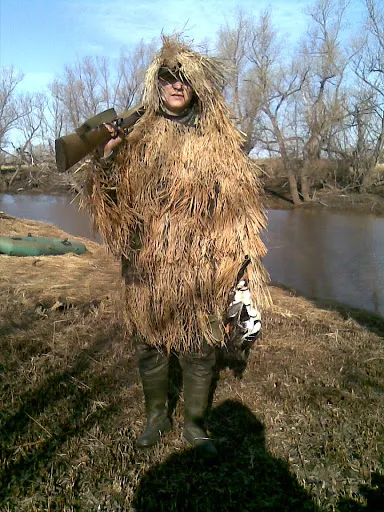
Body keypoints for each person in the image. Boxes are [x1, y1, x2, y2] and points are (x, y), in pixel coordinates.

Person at [82, 36, 270, 459]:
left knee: (200, 347)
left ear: (195, 84)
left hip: (201, 268)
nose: (176, 85)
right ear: (157, 84)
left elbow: (242, 211)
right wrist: (107, 160)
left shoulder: (218, 142)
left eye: (183, 78)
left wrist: (242, 270)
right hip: (147, 266)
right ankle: (156, 418)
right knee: (148, 343)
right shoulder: (136, 136)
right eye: (168, 77)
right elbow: (113, 205)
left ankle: (195, 426)